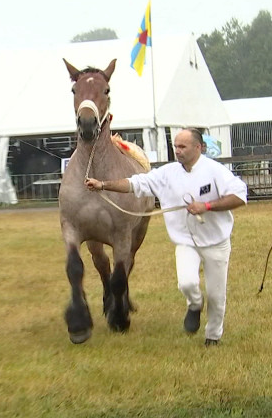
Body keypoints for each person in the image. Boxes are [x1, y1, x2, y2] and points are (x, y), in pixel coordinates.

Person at [84, 128, 248, 347]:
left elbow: (240, 196)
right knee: (187, 283)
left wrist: (207, 206)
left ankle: (213, 336)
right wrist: (104, 184)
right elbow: (135, 183)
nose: (177, 151)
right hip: (185, 241)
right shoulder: (167, 173)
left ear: (198, 148)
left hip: (216, 242)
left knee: (217, 296)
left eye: (182, 147)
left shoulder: (215, 170)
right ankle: (194, 304)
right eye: (175, 146)